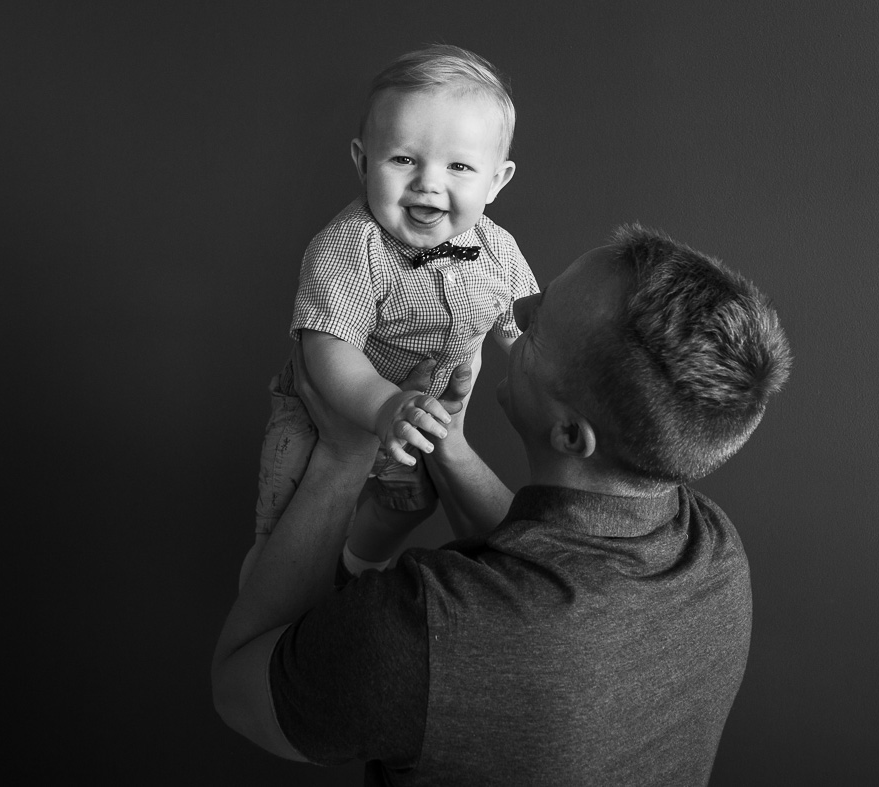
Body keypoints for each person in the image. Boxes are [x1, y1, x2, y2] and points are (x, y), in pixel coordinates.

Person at [213, 224, 792, 785]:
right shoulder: (713, 552)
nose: (515, 311)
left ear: (570, 435)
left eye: (536, 327)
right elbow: (547, 566)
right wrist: (445, 441)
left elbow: (237, 684)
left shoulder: (425, 633)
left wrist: (343, 454)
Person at [240, 45, 538, 589]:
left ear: (497, 180)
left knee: (409, 503)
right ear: (362, 161)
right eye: (404, 159)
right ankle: (266, 608)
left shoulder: (496, 248)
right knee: (284, 525)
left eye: (459, 166)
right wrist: (383, 406)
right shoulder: (350, 246)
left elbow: (516, 324)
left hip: (415, 418)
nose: (428, 182)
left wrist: (534, 362)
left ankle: (354, 571)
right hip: (327, 412)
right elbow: (326, 349)